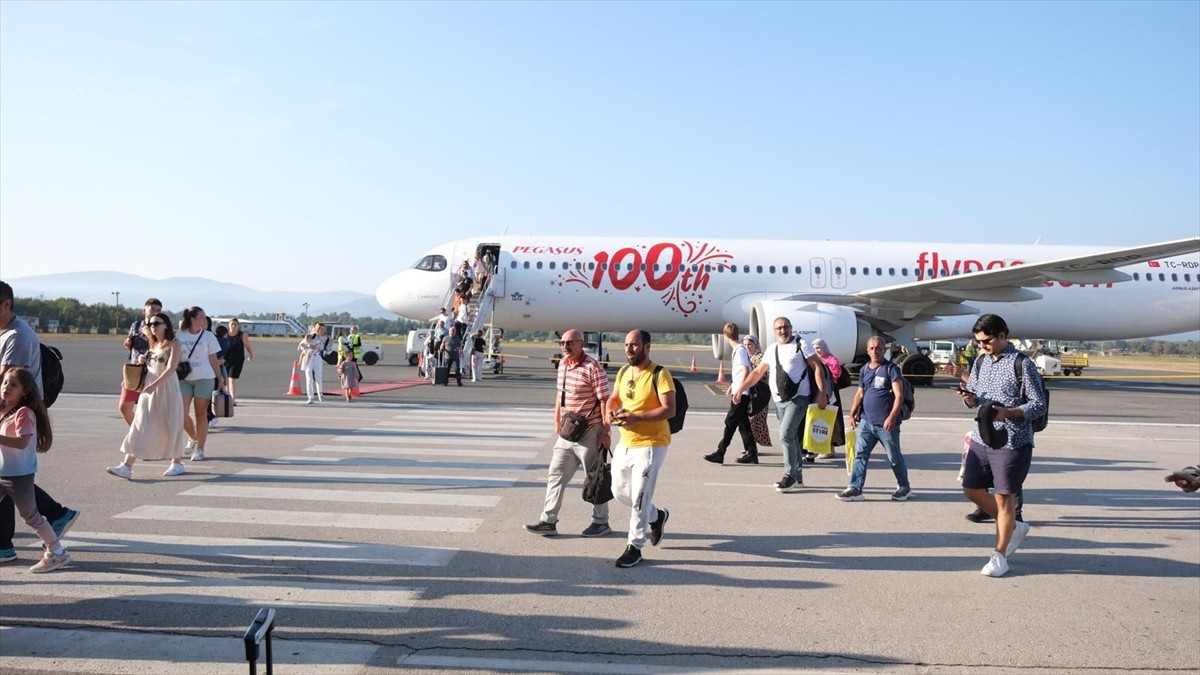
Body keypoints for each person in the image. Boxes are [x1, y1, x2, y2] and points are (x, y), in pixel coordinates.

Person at [957, 313, 1047, 578]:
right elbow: (976, 397)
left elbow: (1038, 404)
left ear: (1002, 335)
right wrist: (968, 398)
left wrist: (1009, 413)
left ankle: (999, 556)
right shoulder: (980, 361)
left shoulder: (1022, 364)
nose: (981, 345)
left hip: (1012, 440)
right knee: (971, 488)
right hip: (981, 436)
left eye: (986, 341)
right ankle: (1013, 526)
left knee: (1003, 497)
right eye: (978, 341)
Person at [0, 281, 79, 565]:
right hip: (7, 419)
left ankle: (54, 544)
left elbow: (9, 381)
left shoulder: (18, 336)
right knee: (8, 480)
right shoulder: (6, 333)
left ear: (7, 304)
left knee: (22, 497)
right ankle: (7, 543)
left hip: (15, 418)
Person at [525, 329, 613, 538]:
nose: (565, 347)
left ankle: (600, 522)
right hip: (567, 431)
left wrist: (605, 431)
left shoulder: (592, 367)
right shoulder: (563, 364)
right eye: (562, 343)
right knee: (555, 475)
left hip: (590, 432)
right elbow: (560, 394)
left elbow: (604, 400)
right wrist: (557, 419)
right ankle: (548, 521)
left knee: (595, 478)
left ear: (581, 344)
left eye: (570, 343)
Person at [732, 317, 828, 493]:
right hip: (779, 400)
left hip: (799, 398)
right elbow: (757, 372)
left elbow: (817, 367)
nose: (783, 331)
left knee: (785, 434)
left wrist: (822, 393)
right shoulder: (772, 349)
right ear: (774, 331)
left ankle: (789, 475)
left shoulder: (801, 344)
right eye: (779, 328)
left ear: (791, 328)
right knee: (791, 437)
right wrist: (740, 389)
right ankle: (798, 478)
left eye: (785, 327)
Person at [605, 329, 674, 568]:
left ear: (647, 347)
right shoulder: (624, 372)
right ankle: (656, 515)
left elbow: (669, 409)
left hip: (651, 444)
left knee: (640, 498)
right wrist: (610, 412)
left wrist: (638, 417)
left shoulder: (660, 374)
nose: (629, 349)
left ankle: (634, 546)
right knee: (618, 491)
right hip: (625, 441)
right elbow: (614, 398)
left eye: (634, 345)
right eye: (626, 345)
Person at [0, 367, 72, 572]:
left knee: (31, 516)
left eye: (13, 385)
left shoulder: (24, 413)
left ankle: (57, 552)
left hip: (18, 474)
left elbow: (22, 442)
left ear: (25, 391)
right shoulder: (5, 410)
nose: (6, 387)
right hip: (3, 472)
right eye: (5, 383)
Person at [106, 312, 188, 479]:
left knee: (171, 423)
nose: (152, 327)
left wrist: (154, 385)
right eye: (150, 324)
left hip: (167, 388)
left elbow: (171, 369)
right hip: (149, 388)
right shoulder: (153, 344)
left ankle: (177, 462)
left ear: (166, 325)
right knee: (141, 424)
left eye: (156, 323)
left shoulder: (174, 343)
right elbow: (151, 366)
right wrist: (142, 363)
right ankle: (127, 466)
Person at [838, 336, 912, 502]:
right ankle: (855, 488)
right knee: (860, 455)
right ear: (867, 351)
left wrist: (892, 417)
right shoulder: (865, 369)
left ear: (884, 350)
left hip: (886, 424)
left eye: (878, 348)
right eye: (871, 348)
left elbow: (899, 396)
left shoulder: (891, 369)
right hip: (866, 422)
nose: (875, 351)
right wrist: (852, 414)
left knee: (894, 457)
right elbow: (860, 393)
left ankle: (904, 487)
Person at [705, 322, 757, 465]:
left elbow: (746, 370)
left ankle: (720, 452)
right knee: (743, 424)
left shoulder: (739, 350)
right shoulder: (739, 350)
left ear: (725, 335)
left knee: (730, 422)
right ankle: (752, 453)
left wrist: (739, 390)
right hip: (741, 391)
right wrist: (733, 386)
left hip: (742, 393)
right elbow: (740, 372)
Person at [177, 306, 223, 461]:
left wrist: (220, 379)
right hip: (184, 379)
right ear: (192, 319)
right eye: (202, 316)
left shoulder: (208, 336)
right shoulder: (180, 335)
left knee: (200, 413)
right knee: (181, 413)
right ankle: (193, 436)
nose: (205, 319)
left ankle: (200, 449)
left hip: (204, 378)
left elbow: (213, 359)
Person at [120, 298, 162, 424]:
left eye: (158, 310)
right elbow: (132, 341)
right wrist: (128, 343)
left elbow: (161, 348)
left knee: (149, 410)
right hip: (135, 371)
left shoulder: (160, 327)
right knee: (125, 407)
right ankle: (137, 431)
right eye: (152, 309)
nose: (155, 312)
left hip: (152, 372)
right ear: (144, 310)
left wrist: (149, 334)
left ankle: (146, 433)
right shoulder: (136, 325)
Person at [810, 337, 848, 461]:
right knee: (820, 421)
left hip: (831, 395)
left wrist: (825, 371)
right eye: (815, 348)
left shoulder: (831, 359)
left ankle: (828, 449)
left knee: (829, 421)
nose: (817, 350)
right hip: (820, 393)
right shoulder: (815, 360)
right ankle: (822, 448)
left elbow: (836, 374)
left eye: (819, 348)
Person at [742, 335, 773, 451]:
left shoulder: (760, 358)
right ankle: (751, 446)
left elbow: (761, 374)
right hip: (750, 393)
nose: (747, 347)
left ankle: (752, 447)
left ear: (755, 345)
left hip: (760, 394)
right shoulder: (746, 357)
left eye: (749, 344)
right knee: (750, 420)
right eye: (745, 345)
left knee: (756, 420)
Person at [223, 318, 253, 405]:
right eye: (232, 324)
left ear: (238, 326)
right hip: (225, 360)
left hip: (237, 360)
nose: (233, 326)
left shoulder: (242, 335)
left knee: (232, 379)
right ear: (229, 325)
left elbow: (248, 346)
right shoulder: (225, 334)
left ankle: (232, 399)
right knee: (225, 379)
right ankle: (227, 397)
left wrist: (251, 355)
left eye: (235, 324)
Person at [297, 331, 323, 403]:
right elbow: (301, 346)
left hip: (316, 358)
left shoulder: (319, 339)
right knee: (309, 379)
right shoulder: (308, 337)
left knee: (318, 377)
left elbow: (320, 347)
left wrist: (315, 347)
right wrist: (305, 350)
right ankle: (310, 397)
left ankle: (320, 394)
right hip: (308, 359)